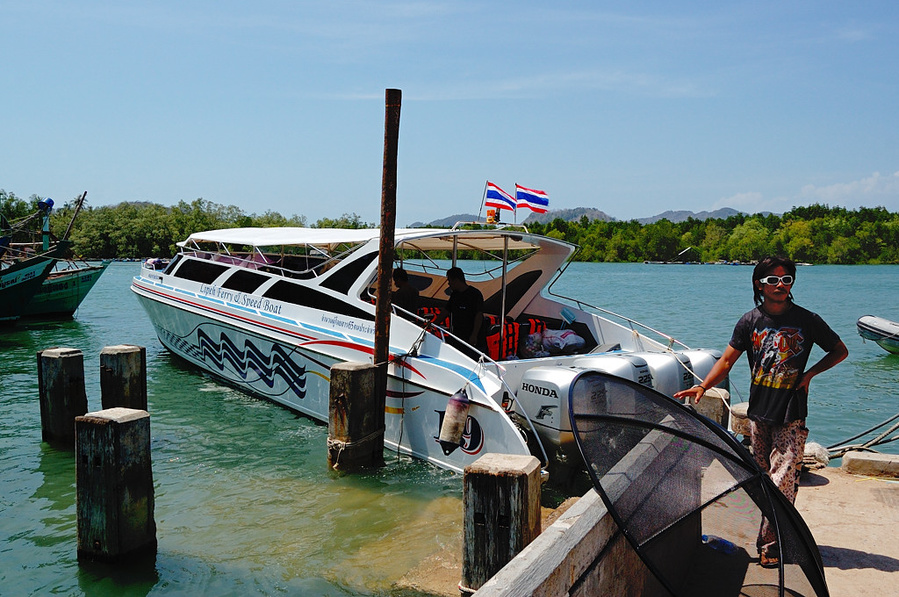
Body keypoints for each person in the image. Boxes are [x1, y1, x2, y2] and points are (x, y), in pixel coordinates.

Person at [674, 256, 848, 568]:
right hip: (759, 412)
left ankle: (771, 543)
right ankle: (778, 533)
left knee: (781, 478)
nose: (780, 286)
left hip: (792, 413)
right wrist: (702, 386)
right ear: (759, 284)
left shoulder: (808, 320)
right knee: (763, 479)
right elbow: (727, 360)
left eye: (786, 280)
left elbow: (839, 350)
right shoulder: (749, 321)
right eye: (773, 280)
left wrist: (808, 376)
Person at [441, 266, 484, 348]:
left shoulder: (475, 294)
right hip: (458, 335)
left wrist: (474, 335)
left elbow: (479, 315)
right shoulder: (454, 295)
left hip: (471, 335)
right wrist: (433, 324)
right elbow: (446, 311)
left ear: (456, 280)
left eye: (449, 281)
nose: (449, 284)